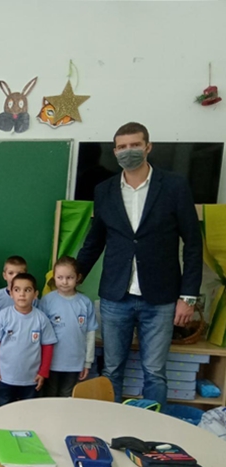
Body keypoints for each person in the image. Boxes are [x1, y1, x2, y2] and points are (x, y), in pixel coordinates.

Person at [77, 122, 203, 406]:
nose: (128, 151)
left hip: (161, 299)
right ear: (115, 152)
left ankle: (151, 429)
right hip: (115, 297)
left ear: (148, 147)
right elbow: (95, 241)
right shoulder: (104, 190)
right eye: (122, 147)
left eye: (135, 145)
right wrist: (74, 275)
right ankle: (110, 424)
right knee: (111, 370)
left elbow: (193, 244)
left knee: (155, 373)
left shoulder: (174, 186)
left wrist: (188, 297)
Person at [0, 273, 56, 408]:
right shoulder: (3, 316)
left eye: (27, 290)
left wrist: (43, 372)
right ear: (11, 293)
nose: (22, 294)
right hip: (4, 376)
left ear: (35, 294)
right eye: (17, 290)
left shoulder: (41, 318)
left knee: (28, 410)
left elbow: (48, 346)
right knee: (2, 408)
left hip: (31, 378)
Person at [39, 256, 97, 397]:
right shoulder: (47, 301)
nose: (64, 282)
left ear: (78, 278)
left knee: (67, 395)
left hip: (75, 363)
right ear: (54, 277)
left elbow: (90, 334)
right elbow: (40, 332)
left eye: (69, 277)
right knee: (50, 395)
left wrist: (87, 362)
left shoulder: (85, 303)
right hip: (51, 361)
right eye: (60, 277)